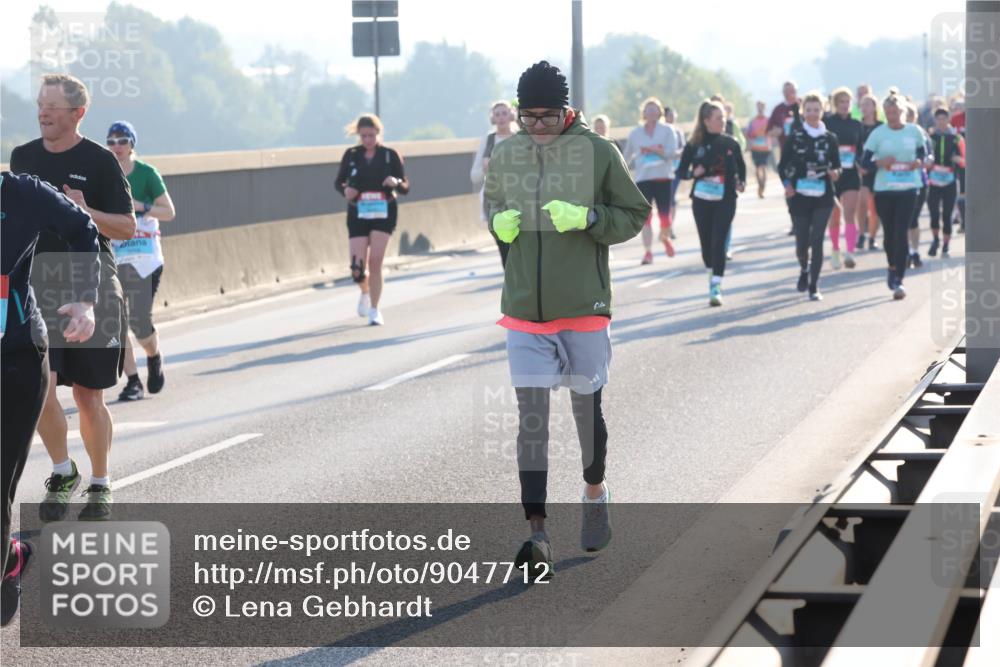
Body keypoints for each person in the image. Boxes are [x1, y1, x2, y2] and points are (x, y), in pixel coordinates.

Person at [484, 61, 649, 579]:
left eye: (547, 116)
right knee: (531, 422)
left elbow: (635, 213)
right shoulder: (507, 152)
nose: (537, 126)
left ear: (567, 109)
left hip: (581, 308)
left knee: (585, 415)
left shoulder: (598, 152)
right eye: (527, 116)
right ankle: (537, 534)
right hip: (524, 311)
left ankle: (595, 490)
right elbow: (493, 206)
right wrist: (498, 224)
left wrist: (590, 218)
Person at [10, 74, 136, 523]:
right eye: (40, 104)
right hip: (36, 281)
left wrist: (86, 212)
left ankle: (100, 483)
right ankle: (63, 472)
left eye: (53, 107)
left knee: (88, 395)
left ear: (77, 113)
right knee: (39, 386)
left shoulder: (101, 161)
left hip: (92, 278)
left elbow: (126, 227)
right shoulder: (22, 157)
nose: (43, 112)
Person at [1, 172, 100, 626]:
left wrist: (84, 301)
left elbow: (83, 229)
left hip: (16, 359)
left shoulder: (21, 192)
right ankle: (10, 558)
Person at [105, 121, 176, 402]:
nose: (116, 147)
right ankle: (133, 381)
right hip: (116, 256)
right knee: (116, 322)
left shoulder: (147, 173)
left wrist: (140, 207)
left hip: (145, 257)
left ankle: (154, 355)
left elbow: (168, 212)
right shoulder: (105, 175)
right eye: (110, 142)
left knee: (139, 322)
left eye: (122, 140)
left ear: (132, 143)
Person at [335, 114, 409, 326]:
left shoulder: (389, 155)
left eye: (372, 135)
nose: (368, 139)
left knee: (375, 262)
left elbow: (405, 186)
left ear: (379, 133)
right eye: (364, 135)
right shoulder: (351, 155)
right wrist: (345, 190)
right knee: (357, 268)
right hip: (358, 211)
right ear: (358, 135)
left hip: (383, 211)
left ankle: (375, 309)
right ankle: (365, 290)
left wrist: (395, 182)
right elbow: (338, 182)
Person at [676, 100, 747, 306]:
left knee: (719, 241)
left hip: (725, 199)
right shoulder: (694, 144)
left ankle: (716, 285)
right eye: (718, 118)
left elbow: (741, 169)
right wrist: (693, 173)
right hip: (702, 199)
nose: (723, 121)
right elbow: (681, 171)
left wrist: (741, 183)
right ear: (707, 120)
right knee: (706, 245)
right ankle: (711, 272)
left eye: (724, 117)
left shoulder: (731, 143)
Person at [860, 94, 927, 300]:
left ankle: (899, 278)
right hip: (885, 189)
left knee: (901, 232)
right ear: (884, 113)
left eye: (896, 112)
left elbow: (925, 154)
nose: (892, 116)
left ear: (903, 112)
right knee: (889, 234)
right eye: (888, 113)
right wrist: (880, 162)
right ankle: (891, 266)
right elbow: (864, 162)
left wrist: (918, 161)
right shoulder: (878, 134)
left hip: (909, 187)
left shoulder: (914, 131)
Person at [779, 93, 842, 301]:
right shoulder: (795, 137)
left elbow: (837, 165)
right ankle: (804, 269)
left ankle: (814, 285)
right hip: (799, 195)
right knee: (802, 242)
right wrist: (787, 185)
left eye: (816, 110)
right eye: (809, 110)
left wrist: (835, 173)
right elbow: (782, 165)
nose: (813, 114)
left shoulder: (830, 138)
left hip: (823, 194)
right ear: (802, 112)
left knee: (817, 240)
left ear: (822, 111)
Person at [623, 97, 679, 264]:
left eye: (655, 109)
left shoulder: (668, 130)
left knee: (665, 218)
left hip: (663, 177)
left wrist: (657, 151)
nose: (652, 112)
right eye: (649, 109)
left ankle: (665, 238)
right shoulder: (635, 133)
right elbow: (626, 157)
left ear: (660, 112)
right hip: (643, 179)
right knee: (645, 218)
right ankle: (648, 252)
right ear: (644, 113)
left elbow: (672, 154)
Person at [471, 101, 518, 268]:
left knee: (519, 247)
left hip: (519, 198)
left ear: (511, 115)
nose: (501, 118)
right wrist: (486, 169)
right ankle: (511, 283)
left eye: (504, 113)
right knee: (504, 247)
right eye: (497, 114)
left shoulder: (521, 138)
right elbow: (474, 176)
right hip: (495, 201)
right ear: (493, 118)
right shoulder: (489, 140)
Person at [824, 87, 864, 270]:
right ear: (835, 104)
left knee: (849, 213)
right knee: (834, 214)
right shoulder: (827, 122)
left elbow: (862, 149)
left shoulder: (857, 124)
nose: (845, 105)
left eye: (847, 102)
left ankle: (849, 252)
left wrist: (860, 162)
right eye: (841, 102)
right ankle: (834, 249)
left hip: (851, 174)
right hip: (832, 174)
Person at [926, 108, 965, 258]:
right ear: (935, 121)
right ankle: (935, 240)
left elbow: (965, 159)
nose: (941, 122)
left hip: (950, 180)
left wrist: (958, 160)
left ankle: (946, 246)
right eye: (938, 119)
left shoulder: (956, 138)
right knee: (934, 214)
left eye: (944, 118)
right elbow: (924, 155)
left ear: (948, 120)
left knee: (947, 215)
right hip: (934, 180)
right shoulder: (931, 137)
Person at [767, 81, 801, 235]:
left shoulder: (804, 106)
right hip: (787, 155)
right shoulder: (779, 110)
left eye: (792, 90)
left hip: (804, 154)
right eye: (786, 91)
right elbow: (769, 132)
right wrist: (777, 132)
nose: (790, 94)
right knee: (789, 187)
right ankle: (795, 222)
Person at [904, 103, 933, 269]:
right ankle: (905, 251)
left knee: (913, 218)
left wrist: (924, 162)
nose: (908, 118)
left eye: (911, 115)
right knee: (904, 219)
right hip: (899, 182)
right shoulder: (894, 135)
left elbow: (929, 156)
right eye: (905, 115)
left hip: (919, 182)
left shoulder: (922, 134)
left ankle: (914, 252)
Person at [857, 94, 883, 251]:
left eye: (868, 104)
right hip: (861, 170)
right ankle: (861, 234)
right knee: (862, 204)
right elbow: (853, 148)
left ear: (874, 107)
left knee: (876, 209)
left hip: (877, 169)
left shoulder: (881, 127)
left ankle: (872, 237)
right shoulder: (857, 126)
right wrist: (858, 165)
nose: (865, 108)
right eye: (863, 105)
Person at [663, 106, 685, 235]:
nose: (671, 117)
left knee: (671, 196)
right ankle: (665, 225)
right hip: (662, 169)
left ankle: (669, 227)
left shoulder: (678, 132)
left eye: (673, 115)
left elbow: (684, 148)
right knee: (666, 198)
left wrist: (676, 153)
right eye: (669, 115)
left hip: (676, 168)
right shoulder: (660, 131)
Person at [746, 101, 772, 198]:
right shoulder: (753, 120)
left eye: (762, 107)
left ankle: (763, 186)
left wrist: (766, 133)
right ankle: (760, 184)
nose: (760, 108)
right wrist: (754, 134)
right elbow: (748, 133)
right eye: (759, 107)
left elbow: (772, 131)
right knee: (758, 168)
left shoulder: (768, 120)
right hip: (755, 147)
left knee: (763, 167)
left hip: (765, 148)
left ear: (764, 108)